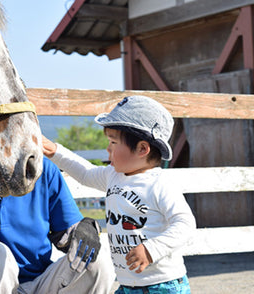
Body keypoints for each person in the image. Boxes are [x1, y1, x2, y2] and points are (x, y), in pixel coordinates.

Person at [43, 95, 196, 294]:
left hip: (162, 285)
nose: (108, 148)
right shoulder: (112, 176)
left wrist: (151, 250)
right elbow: (85, 173)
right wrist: (54, 151)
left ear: (142, 148)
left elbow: (185, 224)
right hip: (127, 285)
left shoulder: (159, 184)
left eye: (113, 143)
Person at [0, 156, 115, 294]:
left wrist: (87, 227)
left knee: (98, 261)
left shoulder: (42, 170)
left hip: (40, 283)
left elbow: (67, 236)